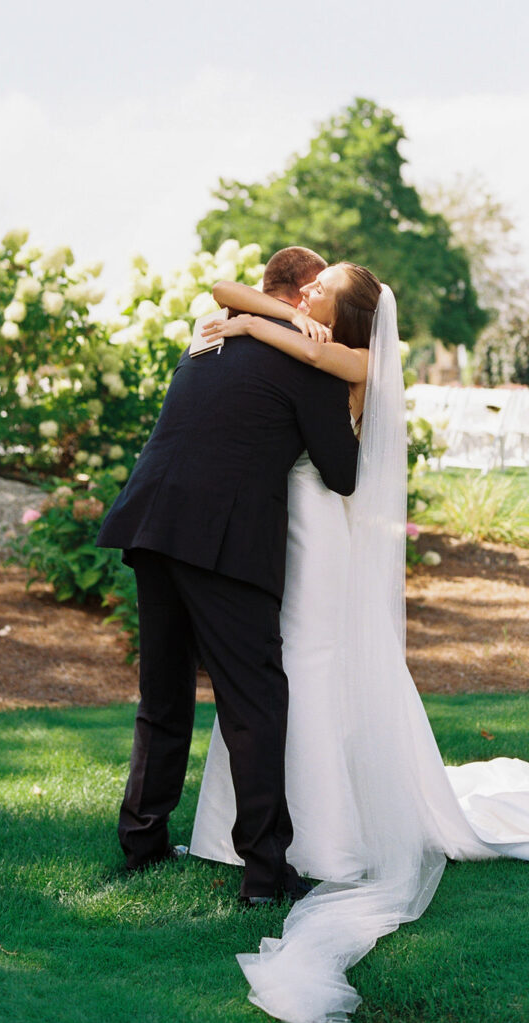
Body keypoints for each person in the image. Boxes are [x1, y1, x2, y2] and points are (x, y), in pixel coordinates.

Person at [189, 266, 529, 1023]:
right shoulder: (308, 336)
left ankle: (323, 835)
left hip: (316, 531)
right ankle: (245, 830)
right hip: (278, 524)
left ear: (347, 314)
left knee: (304, 662)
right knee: (271, 666)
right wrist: (264, 320)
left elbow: (296, 351)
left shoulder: (358, 361)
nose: (307, 293)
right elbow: (226, 287)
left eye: (321, 292)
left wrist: (257, 327)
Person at [96, 246, 360, 907]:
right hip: (223, 541)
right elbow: (344, 474)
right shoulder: (307, 365)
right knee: (254, 703)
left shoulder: (205, 340)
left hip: (151, 518)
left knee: (163, 696)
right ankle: (267, 875)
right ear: (301, 299)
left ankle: (141, 843)